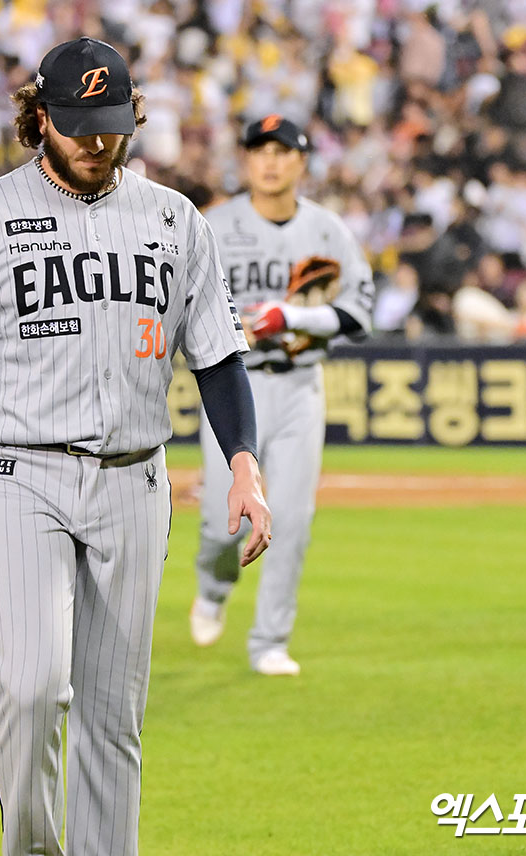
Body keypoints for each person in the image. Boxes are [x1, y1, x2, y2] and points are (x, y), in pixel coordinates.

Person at [0, 37, 272, 856]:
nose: (95, 141)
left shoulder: (173, 219)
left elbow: (220, 357)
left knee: (112, 713)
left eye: (111, 123)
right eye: (76, 123)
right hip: (16, 474)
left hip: (136, 480)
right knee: (28, 690)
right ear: (39, 118)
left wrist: (242, 463)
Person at [189, 114, 373, 676]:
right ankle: (215, 585)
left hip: (297, 384)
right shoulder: (212, 225)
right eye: (259, 150)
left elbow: (359, 313)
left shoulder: (327, 230)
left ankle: (270, 639)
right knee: (223, 519)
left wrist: (290, 316)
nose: (269, 161)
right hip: (230, 382)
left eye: (282, 151)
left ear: (302, 161)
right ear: (245, 160)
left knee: (292, 516)